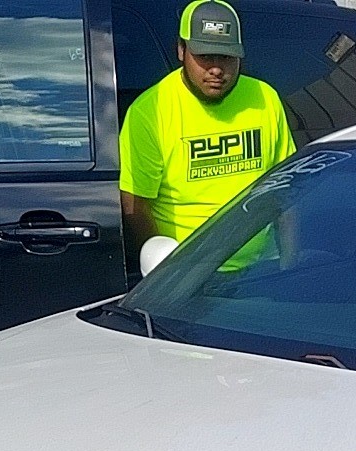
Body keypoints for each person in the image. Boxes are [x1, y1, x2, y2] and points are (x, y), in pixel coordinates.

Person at [119, 0, 296, 269]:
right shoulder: (150, 111)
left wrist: (290, 263)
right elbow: (135, 206)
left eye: (225, 57)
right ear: (181, 50)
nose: (215, 69)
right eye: (204, 56)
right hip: (188, 276)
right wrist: (167, 274)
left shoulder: (264, 98)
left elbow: (285, 187)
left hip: (261, 271)